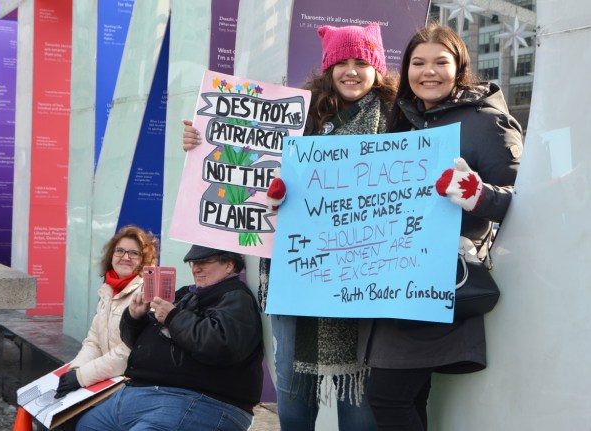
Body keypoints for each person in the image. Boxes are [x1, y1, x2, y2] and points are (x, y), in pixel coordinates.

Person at [184, 22, 397, 431]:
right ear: (327, 67)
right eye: (342, 62)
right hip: (296, 275)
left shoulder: (396, 118)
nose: (351, 71)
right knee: (294, 400)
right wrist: (201, 139)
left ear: (377, 68)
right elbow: (241, 153)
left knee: (361, 405)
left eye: (361, 62)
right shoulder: (299, 116)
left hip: (363, 283)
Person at [357, 22, 524, 430]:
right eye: (418, 62)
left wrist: (478, 194)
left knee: (386, 398)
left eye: (440, 62)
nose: (428, 71)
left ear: (459, 67)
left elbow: (527, 201)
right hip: (397, 281)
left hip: (442, 283)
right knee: (408, 398)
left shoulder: (486, 122)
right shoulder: (405, 122)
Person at [76, 245, 264, 431]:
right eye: (193, 263)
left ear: (230, 264)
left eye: (204, 262)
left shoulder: (236, 297)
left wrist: (173, 317)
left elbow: (221, 345)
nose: (196, 268)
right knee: (86, 425)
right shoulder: (187, 293)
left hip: (195, 400)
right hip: (139, 394)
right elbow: (136, 343)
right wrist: (134, 317)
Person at [55, 225, 159, 399]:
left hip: (134, 387)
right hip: (107, 380)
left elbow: (130, 351)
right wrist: (75, 370)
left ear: (144, 260)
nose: (125, 257)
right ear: (111, 255)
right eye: (120, 251)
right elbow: (94, 341)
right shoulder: (108, 291)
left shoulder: (147, 295)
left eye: (134, 253)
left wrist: (82, 377)